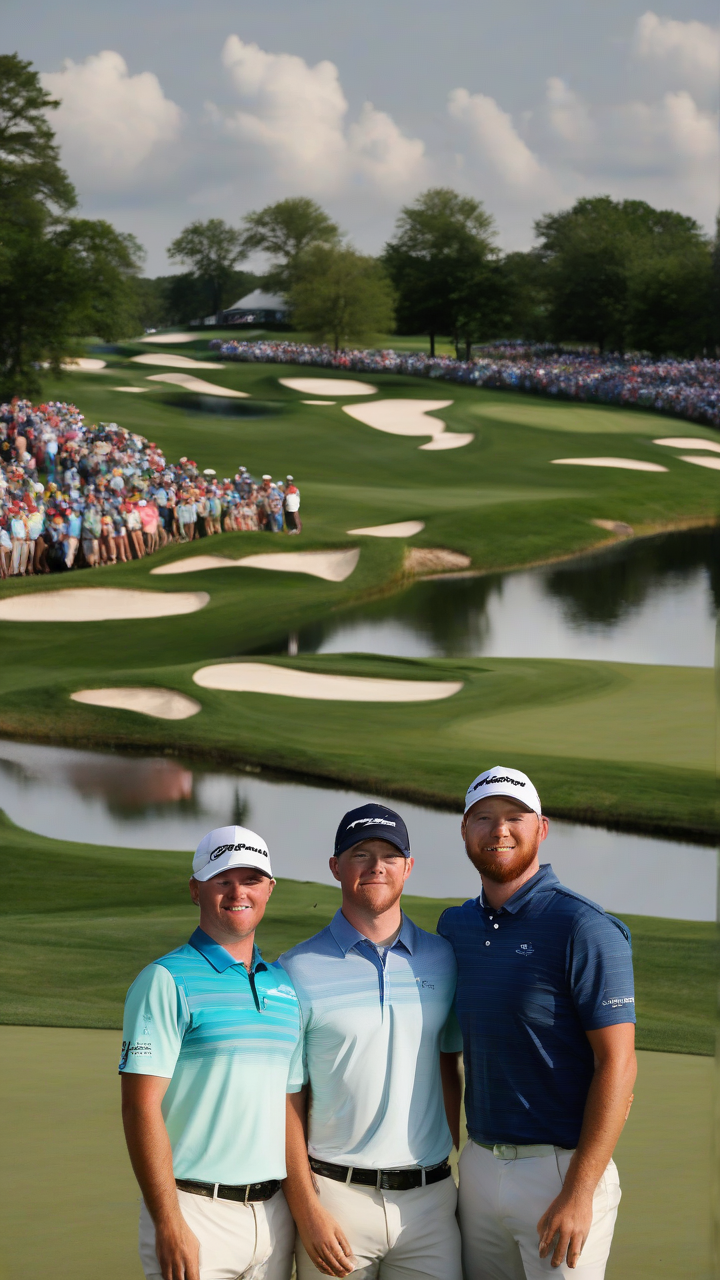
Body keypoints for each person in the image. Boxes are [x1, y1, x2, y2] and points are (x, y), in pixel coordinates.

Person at [438, 767, 637, 1280]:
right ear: (464, 831)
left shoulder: (585, 927)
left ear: (541, 829)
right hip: (479, 1165)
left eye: (514, 817)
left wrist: (579, 1192)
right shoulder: (455, 926)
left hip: (561, 1172)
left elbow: (618, 1063)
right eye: (483, 818)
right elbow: (446, 1052)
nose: (498, 830)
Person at [281, 803, 463, 1280]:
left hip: (431, 1203)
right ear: (336, 867)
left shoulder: (443, 959)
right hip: (335, 1200)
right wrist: (307, 1209)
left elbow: (449, 1060)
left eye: (389, 854)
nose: (376, 865)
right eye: (361, 853)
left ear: (408, 866)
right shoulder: (296, 969)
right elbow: (285, 1097)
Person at [120, 824, 302, 1280]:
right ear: (195, 889)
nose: (238, 892)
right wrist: (168, 1222)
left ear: (269, 889)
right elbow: (140, 1107)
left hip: (274, 1217)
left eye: (251, 880)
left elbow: (288, 1103)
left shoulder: (283, 986)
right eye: (223, 880)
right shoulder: (165, 980)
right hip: (195, 1212)